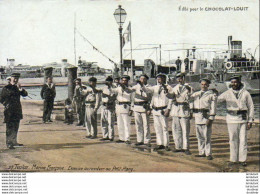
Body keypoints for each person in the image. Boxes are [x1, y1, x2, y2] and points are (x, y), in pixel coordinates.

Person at [218, 75, 254, 167]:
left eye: (236, 82)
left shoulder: (245, 93)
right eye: (232, 82)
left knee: (243, 140)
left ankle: (242, 160)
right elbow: (217, 99)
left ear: (239, 83)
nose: (234, 84)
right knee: (233, 139)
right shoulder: (227, 93)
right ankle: (233, 159)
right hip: (231, 118)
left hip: (243, 119)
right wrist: (213, 94)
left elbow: (251, 107)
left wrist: (250, 120)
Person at [142, 73, 174, 151]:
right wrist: (142, 85)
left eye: (160, 78)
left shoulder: (168, 87)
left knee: (164, 127)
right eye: (158, 79)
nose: (159, 80)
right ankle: (160, 143)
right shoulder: (155, 87)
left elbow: (170, 99)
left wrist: (168, 109)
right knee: (157, 127)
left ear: (164, 79)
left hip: (163, 109)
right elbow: (150, 93)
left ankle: (166, 144)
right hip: (155, 109)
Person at [190, 78, 217, 160]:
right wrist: (191, 110)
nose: (203, 86)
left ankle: (208, 153)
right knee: (199, 136)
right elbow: (190, 100)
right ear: (200, 85)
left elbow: (213, 107)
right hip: (198, 116)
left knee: (207, 137)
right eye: (202, 84)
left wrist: (211, 118)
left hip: (206, 116)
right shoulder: (196, 94)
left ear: (208, 85)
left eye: (205, 84)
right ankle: (201, 152)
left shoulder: (211, 95)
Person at [0, 73, 28, 149]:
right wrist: (6, 104)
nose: (15, 80)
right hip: (9, 110)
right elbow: (1, 98)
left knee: (16, 126)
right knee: (9, 127)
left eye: (17, 78)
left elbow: (25, 94)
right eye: (14, 78)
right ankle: (9, 143)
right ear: (11, 78)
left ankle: (14, 141)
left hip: (17, 109)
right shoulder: (6, 88)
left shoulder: (17, 88)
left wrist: (21, 89)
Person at [171, 73, 193, 155]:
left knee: (185, 130)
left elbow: (191, 99)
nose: (179, 80)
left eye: (180, 78)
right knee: (176, 129)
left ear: (184, 78)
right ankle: (178, 146)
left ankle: (186, 147)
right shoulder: (175, 88)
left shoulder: (189, 87)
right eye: (178, 78)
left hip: (185, 109)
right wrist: (173, 100)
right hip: (176, 109)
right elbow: (172, 97)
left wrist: (191, 111)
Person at [112, 75, 134, 144]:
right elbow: (112, 91)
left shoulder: (131, 89)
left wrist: (131, 109)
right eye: (123, 80)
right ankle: (121, 138)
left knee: (126, 124)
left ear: (128, 81)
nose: (124, 82)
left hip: (126, 106)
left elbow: (133, 100)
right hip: (119, 106)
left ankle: (127, 138)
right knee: (119, 123)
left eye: (125, 81)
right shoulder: (118, 88)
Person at [131, 74, 152, 147]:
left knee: (146, 125)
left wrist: (149, 108)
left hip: (144, 107)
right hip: (136, 106)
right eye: (141, 78)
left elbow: (149, 97)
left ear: (146, 80)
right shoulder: (137, 86)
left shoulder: (149, 87)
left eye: (143, 79)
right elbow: (130, 91)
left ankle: (147, 140)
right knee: (138, 124)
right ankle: (139, 140)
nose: (142, 80)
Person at [99, 76, 117, 141]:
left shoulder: (114, 88)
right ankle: (105, 135)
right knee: (103, 121)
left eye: (109, 81)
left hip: (110, 106)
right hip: (103, 106)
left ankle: (111, 136)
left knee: (110, 122)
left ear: (111, 82)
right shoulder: (104, 88)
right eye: (107, 81)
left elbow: (114, 97)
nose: (108, 82)